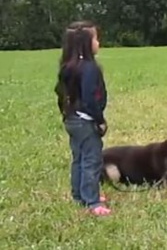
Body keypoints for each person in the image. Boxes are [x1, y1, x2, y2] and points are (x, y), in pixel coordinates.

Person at [54, 20, 111, 216]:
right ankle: (92, 202)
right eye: (95, 38)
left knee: (78, 158)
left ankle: (79, 195)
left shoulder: (67, 67)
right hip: (86, 121)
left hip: (72, 119)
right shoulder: (90, 68)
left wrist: (66, 112)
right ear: (85, 44)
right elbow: (90, 98)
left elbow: (59, 92)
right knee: (92, 160)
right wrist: (99, 120)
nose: (98, 42)